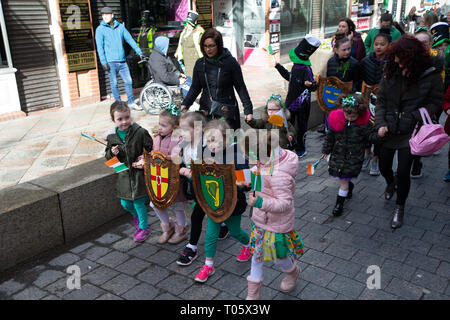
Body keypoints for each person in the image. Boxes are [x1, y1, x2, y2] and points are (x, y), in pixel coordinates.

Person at [375, 35, 443, 229]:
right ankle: (390, 182)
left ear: (411, 58)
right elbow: (380, 101)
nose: (396, 62)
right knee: (384, 166)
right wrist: (380, 123)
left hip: (412, 131)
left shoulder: (431, 75)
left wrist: (415, 115)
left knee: (404, 171)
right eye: (394, 58)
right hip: (389, 129)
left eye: (400, 58)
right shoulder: (391, 70)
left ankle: (400, 207)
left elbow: (435, 102)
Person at [244, 131, 304, 300]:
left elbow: (285, 203)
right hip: (260, 221)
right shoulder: (267, 161)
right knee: (256, 256)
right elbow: (258, 170)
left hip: (277, 225)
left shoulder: (280, 175)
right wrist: (243, 178)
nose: (253, 161)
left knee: (280, 257)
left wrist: (260, 203)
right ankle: (253, 295)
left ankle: (292, 272)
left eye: (253, 156)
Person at [175, 112, 238, 265]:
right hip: (196, 188)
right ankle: (218, 229)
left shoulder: (208, 146)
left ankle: (193, 247)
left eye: (184, 129)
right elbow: (183, 163)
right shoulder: (184, 145)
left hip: (210, 188)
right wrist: (182, 169)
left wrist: (195, 172)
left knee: (202, 214)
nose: (180, 133)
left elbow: (213, 167)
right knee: (202, 214)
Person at [193, 120, 252, 283]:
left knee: (235, 232)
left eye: (215, 140)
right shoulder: (204, 152)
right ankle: (209, 266)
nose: (211, 145)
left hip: (233, 204)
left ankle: (249, 245)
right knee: (211, 235)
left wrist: (242, 184)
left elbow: (247, 181)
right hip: (213, 203)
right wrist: (189, 172)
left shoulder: (236, 154)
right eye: (208, 140)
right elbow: (199, 175)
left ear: (226, 139)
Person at [180, 28, 253, 130]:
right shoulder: (200, 64)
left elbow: (240, 87)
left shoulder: (230, 63)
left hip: (227, 111)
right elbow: (195, 88)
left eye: (211, 46)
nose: (208, 49)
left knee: (228, 143)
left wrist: (248, 109)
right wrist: (186, 103)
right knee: (207, 142)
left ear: (219, 45)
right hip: (206, 111)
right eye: (205, 46)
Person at [105, 101, 153, 242]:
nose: (124, 121)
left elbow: (151, 148)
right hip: (124, 176)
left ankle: (144, 228)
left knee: (139, 202)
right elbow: (107, 157)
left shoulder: (140, 132)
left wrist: (144, 158)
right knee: (125, 204)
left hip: (138, 174)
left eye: (127, 117)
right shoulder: (112, 137)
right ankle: (137, 217)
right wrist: (112, 153)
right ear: (113, 120)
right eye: (120, 119)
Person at [322, 95, 372, 216]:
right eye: (347, 115)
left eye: (353, 116)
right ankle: (349, 186)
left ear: (359, 114)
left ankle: (339, 204)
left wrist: (379, 136)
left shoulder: (363, 125)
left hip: (353, 157)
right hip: (338, 154)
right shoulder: (337, 120)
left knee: (344, 180)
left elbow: (370, 137)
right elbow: (330, 137)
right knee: (343, 177)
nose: (349, 118)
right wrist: (326, 150)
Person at [274, 34, 321, 157]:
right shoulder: (296, 67)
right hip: (291, 102)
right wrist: (278, 66)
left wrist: (310, 84)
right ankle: (290, 145)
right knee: (289, 126)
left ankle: (300, 147)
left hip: (303, 105)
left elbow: (314, 86)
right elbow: (289, 77)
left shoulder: (306, 69)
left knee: (302, 126)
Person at [151, 104, 189, 244]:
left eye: (164, 125)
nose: (160, 127)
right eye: (159, 124)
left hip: (174, 180)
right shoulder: (156, 138)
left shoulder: (180, 140)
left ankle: (181, 229)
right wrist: (144, 160)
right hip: (158, 179)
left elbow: (178, 159)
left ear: (174, 127)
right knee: (155, 204)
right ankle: (167, 226)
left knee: (177, 206)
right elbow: (152, 154)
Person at [95, 7, 144, 111]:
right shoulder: (100, 29)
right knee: (114, 83)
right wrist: (103, 62)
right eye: (103, 15)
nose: (104, 16)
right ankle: (118, 105)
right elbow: (99, 47)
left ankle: (130, 103)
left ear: (112, 15)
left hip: (122, 61)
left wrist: (139, 52)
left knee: (128, 81)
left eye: (107, 14)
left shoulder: (120, 27)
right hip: (110, 62)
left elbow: (130, 39)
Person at [360, 27, 392, 176]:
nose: (378, 46)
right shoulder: (366, 61)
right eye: (376, 44)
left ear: (389, 46)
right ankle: (367, 154)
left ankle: (375, 159)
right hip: (367, 101)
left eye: (382, 44)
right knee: (366, 129)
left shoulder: (393, 63)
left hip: (383, 102)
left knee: (379, 131)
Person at [175, 11, 205, 78]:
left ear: (193, 24)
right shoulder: (183, 33)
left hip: (195, 60)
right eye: (187, 23)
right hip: (185, 61)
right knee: (188, 78)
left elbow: (204, 47)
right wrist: (177, 54)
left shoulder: (198, 34)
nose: (188, 25)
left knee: (195, 78)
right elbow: (180, 45)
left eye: (190, 24)